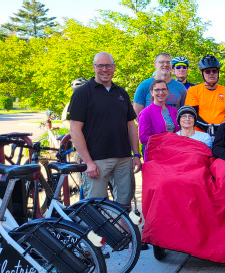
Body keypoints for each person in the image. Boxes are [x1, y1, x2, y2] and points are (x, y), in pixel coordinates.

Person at [68, 52, 141, 209]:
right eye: (100, 66)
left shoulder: (121, 92)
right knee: (96, 207)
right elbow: (74, 130)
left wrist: (136, 154)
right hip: (96, 160)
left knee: (124, 204)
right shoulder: (83, 93)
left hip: (123, 158)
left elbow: (131, 125)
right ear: (94, 67)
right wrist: (88, 162)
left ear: (114, 68)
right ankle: (99, 235)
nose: (104, 69)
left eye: (108, 65)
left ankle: (124, 234)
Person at [185, 54, 225, 134]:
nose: (211, 73)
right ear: (202, 72)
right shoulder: (193, 91)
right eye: (207, 71)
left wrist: (220, 128)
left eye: (214, 71)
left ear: (218, 72)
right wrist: (208, 127)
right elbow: (192, 114)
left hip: (221, 132)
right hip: (199, 133)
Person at [138, 80, 179, 160]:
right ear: (152, 92)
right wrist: (163, 140)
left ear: (167, 92)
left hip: (173, 153)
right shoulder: (146, 113)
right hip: (155, 155)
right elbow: (143, 138)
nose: (161, 93)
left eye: (163, 89)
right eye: (157, 90)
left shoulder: (173, 111)